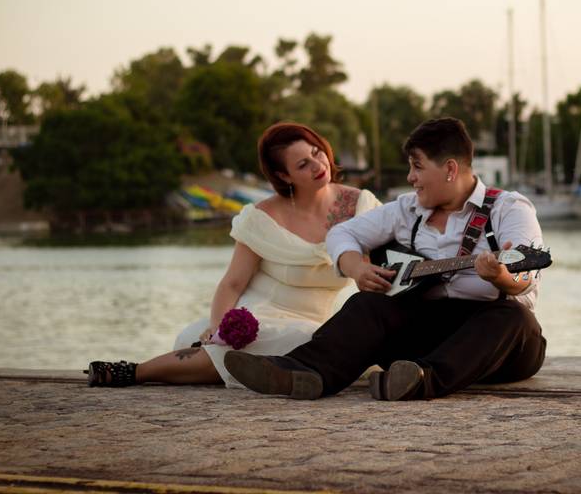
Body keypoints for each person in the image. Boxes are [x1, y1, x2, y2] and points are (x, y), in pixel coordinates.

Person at [223, 117, 546, 400]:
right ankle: (302, 372)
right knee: (368, 304)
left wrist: (499, 276)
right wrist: (356, 267)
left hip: (496, 349)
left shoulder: (509, 208)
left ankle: (422, 381)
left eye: (417, 166)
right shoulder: (407, 209)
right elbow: (341, 234)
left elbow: (525, 278)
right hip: (427, 335)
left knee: (513, 318)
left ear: (450, 169)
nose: (410, 177)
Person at [85, 122, 381, 387]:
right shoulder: (261, 218)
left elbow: (376, 272)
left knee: (328, 341)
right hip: (259, 314)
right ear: (284, 175)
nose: (318, 165)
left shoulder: (360, 206)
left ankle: (198, 364)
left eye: (317, 153)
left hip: (313, 321)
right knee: (287, 343)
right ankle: (135, 372)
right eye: (303, 164)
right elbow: (232, 284)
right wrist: (220, 329)